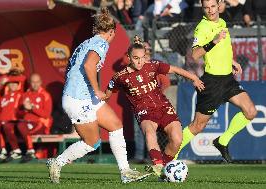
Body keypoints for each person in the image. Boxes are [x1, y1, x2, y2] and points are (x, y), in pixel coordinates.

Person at [46, 8, 150, 184]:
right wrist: (96, 90)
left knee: (116, 126)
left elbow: (75, 68)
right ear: (111, 32)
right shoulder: (101, 43)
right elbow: (88, 65)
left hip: (81, 95)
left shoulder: (87, 42)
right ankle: (57, 162)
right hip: (79, 98)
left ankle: (125, 172)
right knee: (92, 142)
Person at [105, 36, 205, 178]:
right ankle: (158, 164)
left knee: (177, 138)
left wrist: (194, 78)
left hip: (163, 106)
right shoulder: (120, 77)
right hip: (144, 110)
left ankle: (164, 169)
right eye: (135, 58)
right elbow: (107, 94)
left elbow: (175, 69)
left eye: (142, 57)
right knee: (149, 131)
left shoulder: (152, 65)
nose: (140, 61)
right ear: (128, 57)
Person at [174, 0, 257, 162]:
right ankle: (170, 156)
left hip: (228, 79)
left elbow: (222, 48)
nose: (210, 10)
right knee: (198, 126)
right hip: (212, 82)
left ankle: (222, 141)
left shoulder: (223, 21)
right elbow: (195, 54)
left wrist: (231, 61)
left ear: (219, 5)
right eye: (206, 7)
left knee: (251, 112)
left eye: (213, 6)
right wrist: (213, 41)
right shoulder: (202, 27)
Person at [5, 73, 52, 162]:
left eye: (37, 82)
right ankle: (16, 151)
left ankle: (30, 151)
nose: (35, 84)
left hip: (39, 124)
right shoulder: (25, 95)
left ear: (41, 82)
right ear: (30, 82)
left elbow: (47, 114)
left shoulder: (45, 95)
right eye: (33, 82)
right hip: (25, 122)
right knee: (7, 126)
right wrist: (24, 109)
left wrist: (32, 108)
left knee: (21, 125)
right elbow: (18, 113)